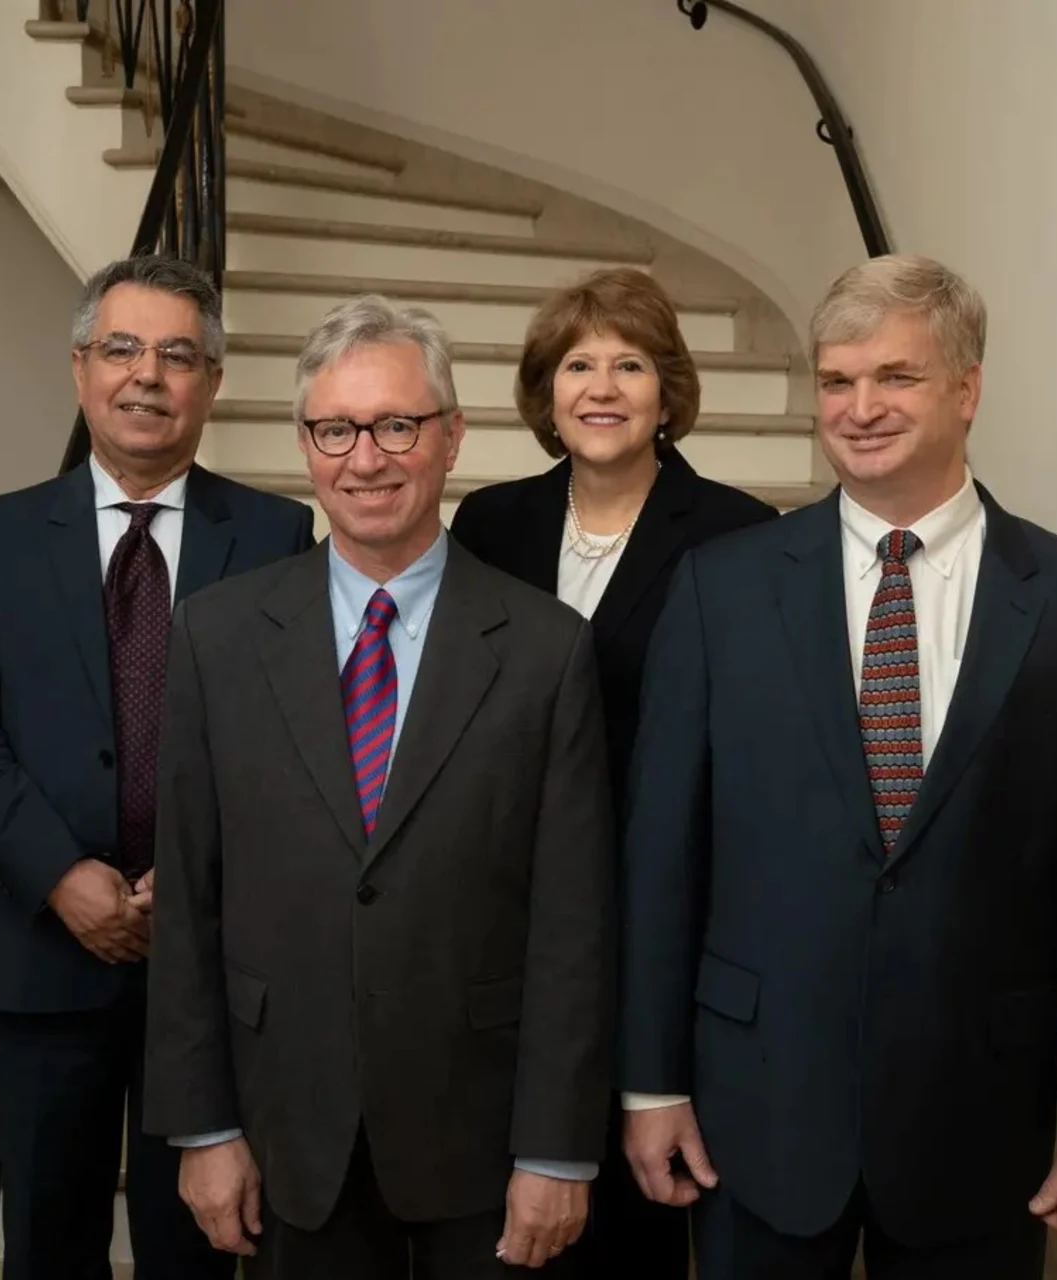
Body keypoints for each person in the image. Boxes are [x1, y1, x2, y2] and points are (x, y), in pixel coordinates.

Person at [619, 254, 1057, 1279]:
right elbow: (663, 858)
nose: (859, 406)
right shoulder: (718, 591)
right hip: (758, 1105)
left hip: (978, 1120)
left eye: (895, 377)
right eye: (836, 381)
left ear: (967, 387)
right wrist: (649, 1083)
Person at [142, 295, 616, 1278]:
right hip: (285, 1128)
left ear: (450, 438)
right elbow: (187, 900)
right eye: (336, 429)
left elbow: (575, 921)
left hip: (481, 1135)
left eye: (398, 424)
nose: (367, 458)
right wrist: (201, 1127)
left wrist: (557, 1146)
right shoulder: (217, 636)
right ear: (307, 443)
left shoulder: (545, 647)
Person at [0, 254, 315, 1279]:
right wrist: (62, 876)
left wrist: (187, 884)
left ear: (212, 383)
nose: (148, 375)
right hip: (45, 956)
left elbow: (290, 739)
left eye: (178, 354)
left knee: (201, 1239)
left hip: (214, 962)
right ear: (81, 369)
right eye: (123, 349)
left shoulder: (277, 535)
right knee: (47, 1237)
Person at [450, 267, 775, 1276]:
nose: (602, 385)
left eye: (629, 363)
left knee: (631, 1220)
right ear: (546, 392)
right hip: (510, 910)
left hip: (655, 913)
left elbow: (745, 747)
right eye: (579, 363)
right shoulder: (491, 524)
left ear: (667, 391)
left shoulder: (739, 534)